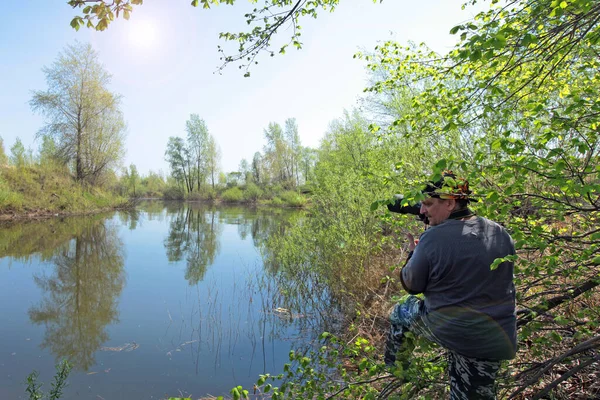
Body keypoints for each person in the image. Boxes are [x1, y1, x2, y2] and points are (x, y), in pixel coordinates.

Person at [385, 171, 517, 400]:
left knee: (401, 310)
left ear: (450, 203)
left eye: (427, 204)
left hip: (454, 331)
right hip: (497, 337)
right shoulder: (499, 232)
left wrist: (414, 252)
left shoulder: (433, 238)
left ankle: (398, 368)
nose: (422, 210)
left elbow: (412, 284)